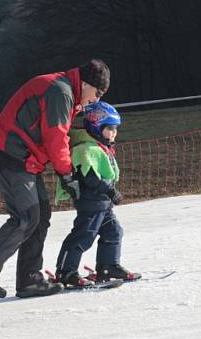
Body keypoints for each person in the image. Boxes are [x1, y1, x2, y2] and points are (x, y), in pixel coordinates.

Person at [0, 59, 110, 298]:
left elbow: (58, 136)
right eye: (97, 93)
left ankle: (30, 281)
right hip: (9, 152)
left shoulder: (66, 92)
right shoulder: (60, 91)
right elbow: (55, 137)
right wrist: (66, 173)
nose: (97, 100)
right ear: (85, 84)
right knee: (26, 216)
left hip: (24, 157)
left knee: (40, 215)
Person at [53, 101, 141, 285]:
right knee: (83, 236)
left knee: (114, 232)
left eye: (115, 128)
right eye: (109, 128)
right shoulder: (86, 149)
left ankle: (108, 266)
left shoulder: (100, 146)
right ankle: (65, 272)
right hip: (90, 203)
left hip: (103, 204)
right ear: (96, 126)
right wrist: (110, 191)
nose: (114, 133)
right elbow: (90, 178)